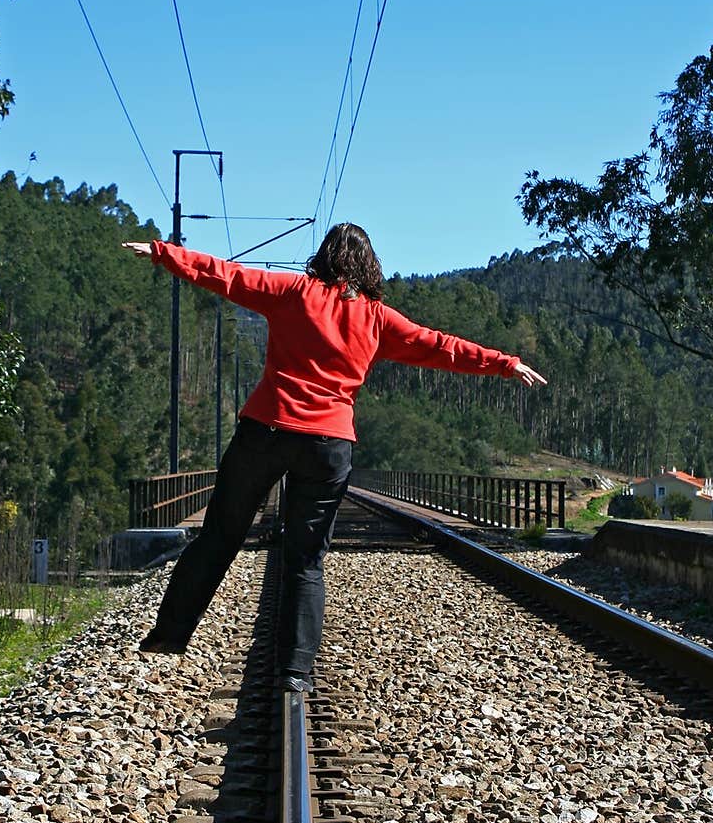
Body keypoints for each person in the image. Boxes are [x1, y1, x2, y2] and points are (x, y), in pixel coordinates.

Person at [121, 223, 546, 693]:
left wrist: (164, 253)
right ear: (369, 265)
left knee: (219, 536)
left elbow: (226, 275)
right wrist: (503, 362)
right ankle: (294, 674)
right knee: (305, 561)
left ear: (324, 256)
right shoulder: (378, 318)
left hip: (267, 429)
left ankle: (169, 636)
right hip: (328, 444)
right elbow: (438, 345)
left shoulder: (293, 291)